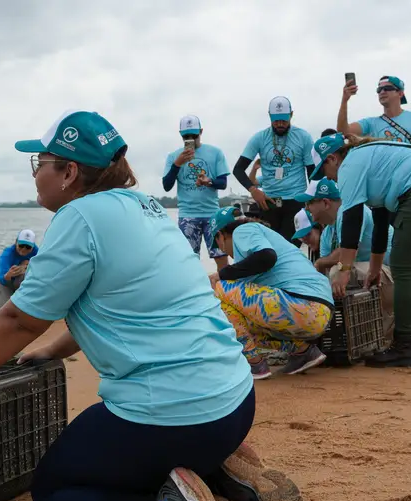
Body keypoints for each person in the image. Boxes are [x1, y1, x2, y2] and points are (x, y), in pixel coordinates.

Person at [0, 109, 303, 501]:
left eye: (42, 163)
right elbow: (116, 301)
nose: (36, 175)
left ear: (70, 172)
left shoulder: (79, 219)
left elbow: (20, 320)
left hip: (178, 416)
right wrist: (54, 349)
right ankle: (219, 471)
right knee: (127, 446)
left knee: (54, 490)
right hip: (235, 402)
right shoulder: (145, 206)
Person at [310, 132, 411, 367]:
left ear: (332, 159)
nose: (327, 178)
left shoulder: (350, 165)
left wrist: (344, 269)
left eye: (324, 171)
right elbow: (380, 221)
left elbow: (352, 218)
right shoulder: (369, 161)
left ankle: (404, 346)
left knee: (403, 266)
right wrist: (375, 268)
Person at [207, 206, 334, 380]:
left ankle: (254, 364)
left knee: (218, 288)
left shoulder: (242, 231)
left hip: (304, 305)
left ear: (221, 235)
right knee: (241, 322)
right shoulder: (261, 238)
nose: (223, 250)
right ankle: (303, 351)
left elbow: (267, 257)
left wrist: (222, 274)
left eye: (218, 243)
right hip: (318, 313)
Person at [296, 179, 395, 341]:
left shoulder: (352, 211)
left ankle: (399, 319)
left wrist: (321, 263)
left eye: (309, 203)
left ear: (326, 202)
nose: (307, 208)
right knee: (328, 279)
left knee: (337, 272)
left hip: (390, 276)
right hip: (373, 278)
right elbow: (323, 273)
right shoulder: (328, 232)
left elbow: (346, 252)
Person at [233, 96, 316, 244]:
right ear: (270, 116)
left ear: (291, 115)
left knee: (289, 248)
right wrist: (254, 190)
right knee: (270, 249)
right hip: (268, 202)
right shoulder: (259, 138)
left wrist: (312, 200)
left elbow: (312, 172)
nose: (280, 124)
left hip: (295, 200)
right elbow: (238, 169)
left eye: (284, 120)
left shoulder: (303, 137)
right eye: (276, 120)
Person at [162, 115, 231, 270]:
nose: (191, 139)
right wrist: (177, 165)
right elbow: (166, 186)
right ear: (180, 135)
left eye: (194, 135)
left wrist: (209, 181)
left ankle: (224, 290)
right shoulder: (173, 157)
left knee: (221, 256)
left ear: (201, 131)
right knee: (188, 261)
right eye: (186, 136)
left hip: (212, 214)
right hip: (187, 215)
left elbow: (223, 184)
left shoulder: (215, 153)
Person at [338, 75, 411, 162]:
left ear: (400, 93)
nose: (382, 92)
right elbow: (343, 132)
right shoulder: (370, 123)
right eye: (379, 89)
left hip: (409, 183)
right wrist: (345, 100)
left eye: (387, 88)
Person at [0, 229, 39, 314]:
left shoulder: (36, 252)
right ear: (16, 242)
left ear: (33, 246)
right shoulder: (7, 254)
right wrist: (8, 276)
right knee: (3, 312)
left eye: (28, 247)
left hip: (21, 279)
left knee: (29, 309)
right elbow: (2, 278)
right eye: (21, 245)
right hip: (1, 280)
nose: (24, 249)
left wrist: (28, 264)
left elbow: (43, 270)